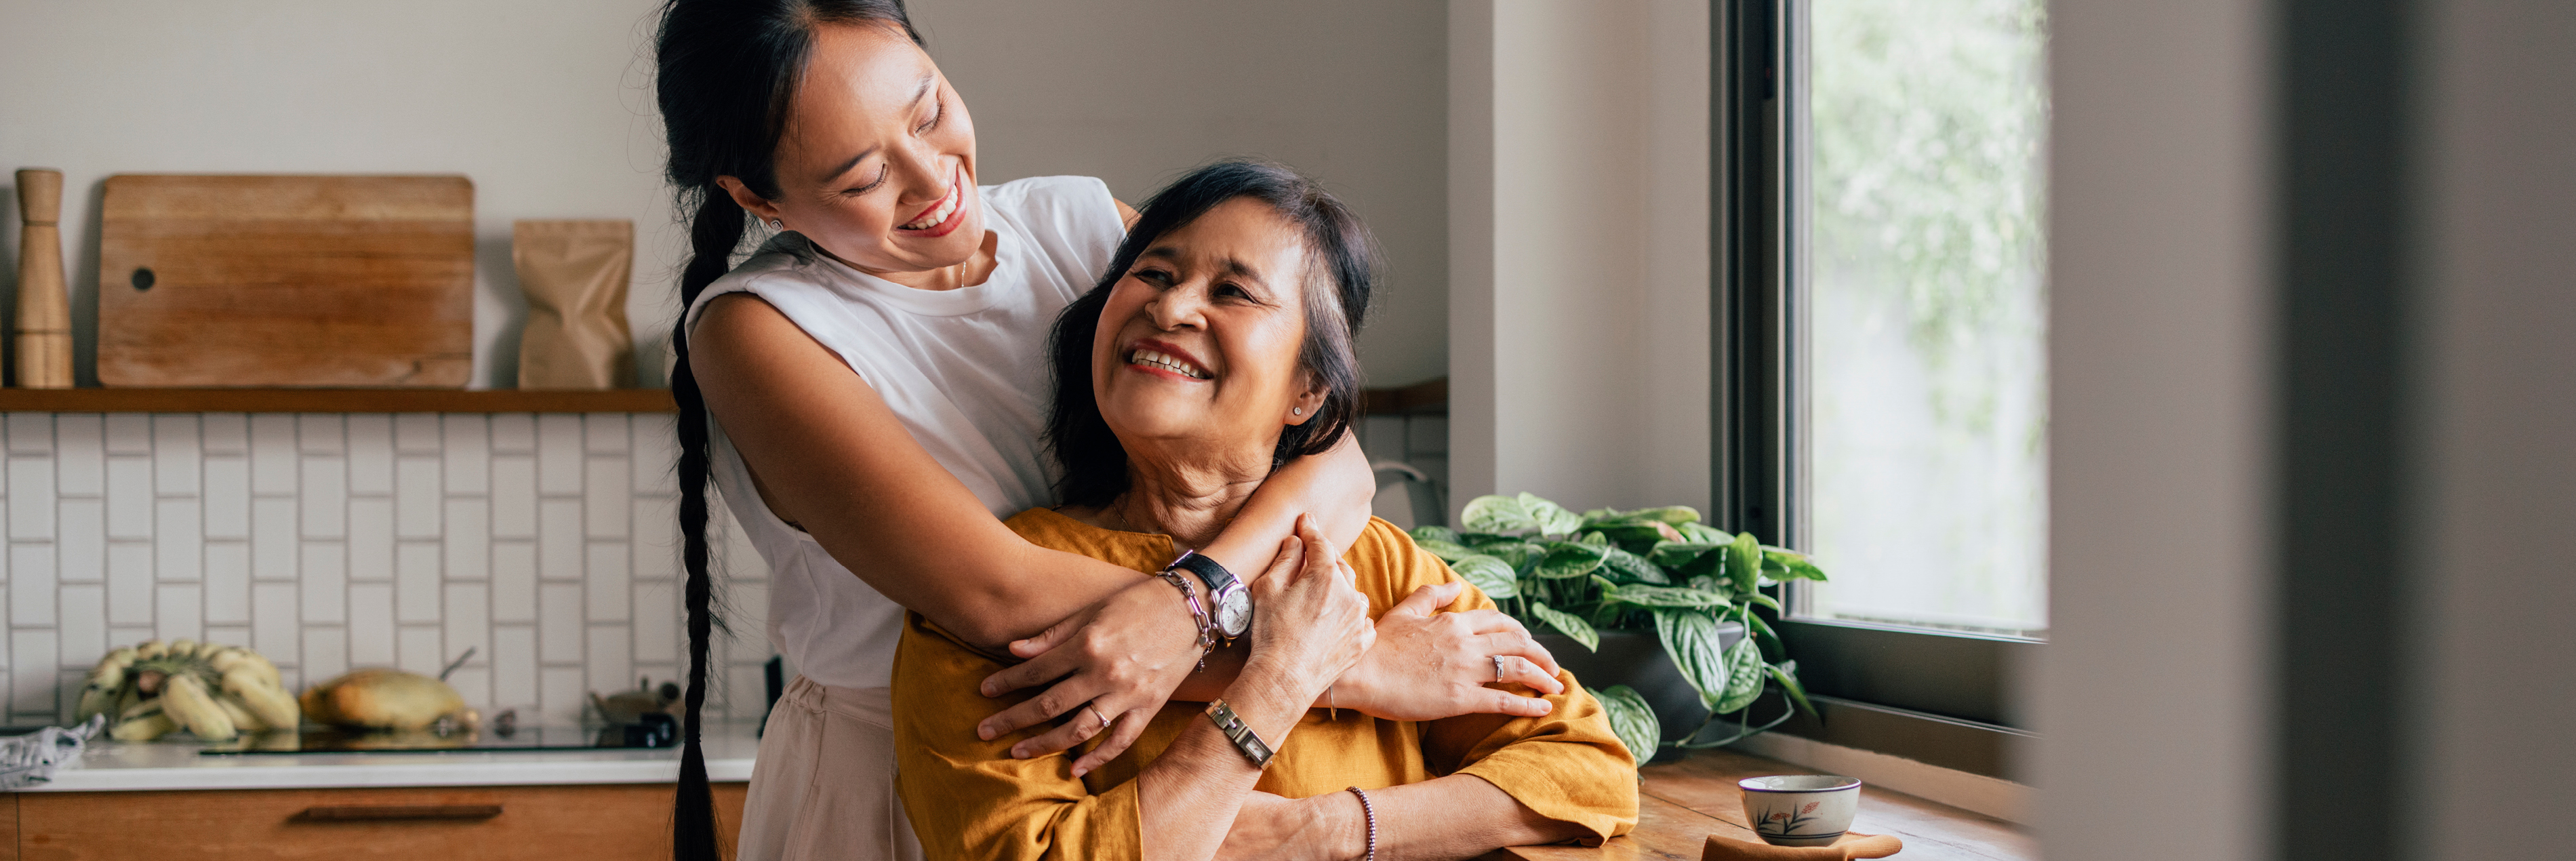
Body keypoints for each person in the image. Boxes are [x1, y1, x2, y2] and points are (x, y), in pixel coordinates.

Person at [650, 3, 1567, 858]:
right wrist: (1339, 668)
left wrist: (1192, 603)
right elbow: (994, 595)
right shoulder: (755, 330)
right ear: (757, 194)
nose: (933, 179)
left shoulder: (1080, 224)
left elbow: (1333, 457)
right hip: (900, 774)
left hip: (1129, 754)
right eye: (864, 176)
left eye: (929, 111)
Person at [892, 161, 1639, 861]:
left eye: (1233, 292)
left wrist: (1322, 829)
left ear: (1307, 392)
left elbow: (1585, 768)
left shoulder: (1372, 564)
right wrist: (1279, 682)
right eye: (1152, 272)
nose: (1170, 305)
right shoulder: (991, 600)